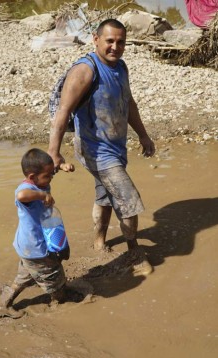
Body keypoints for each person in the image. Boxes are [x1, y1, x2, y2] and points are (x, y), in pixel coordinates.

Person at [48, 19, 155, 277]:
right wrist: (53, 151)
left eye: (120, 42)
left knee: (106, 194)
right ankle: (134, 255)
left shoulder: (121, 67)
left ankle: (99, 241)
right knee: (128, 199)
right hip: (95, 150)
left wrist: (143, 135)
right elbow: (63, 111)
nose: (115, 47)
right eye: (109, 41)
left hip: (115, 147)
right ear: (95, 39)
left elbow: (129, 104)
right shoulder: (85, 71)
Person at [0, 148, 75, 318]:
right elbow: (21, 195)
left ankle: (4, 302)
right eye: (48, 176)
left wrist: (62, 166)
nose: (51, 178)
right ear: (32, 177)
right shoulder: (28, 190)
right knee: (53, 274)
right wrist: (41, 195)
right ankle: (60, 301)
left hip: (27, 246)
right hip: (35, 247)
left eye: (51, 174)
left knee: (24, 277)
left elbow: (50, 170)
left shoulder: (41, 180)